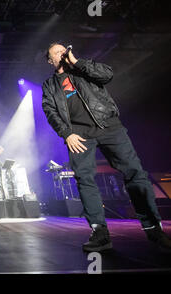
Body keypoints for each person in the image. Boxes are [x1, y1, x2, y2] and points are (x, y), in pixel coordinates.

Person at [41, 42, 171, 253]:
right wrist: (67, 134)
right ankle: (99, 232)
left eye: (64, 49)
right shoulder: (49, 85)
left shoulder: (84, 69)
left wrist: (77, 62)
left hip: (109, 126)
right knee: (84, 178)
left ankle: (153, 227)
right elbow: (50, 111)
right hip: (79, 135)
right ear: (50, 60)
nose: (62, 53)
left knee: (135, 173)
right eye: (57, 52)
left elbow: (106, 74)